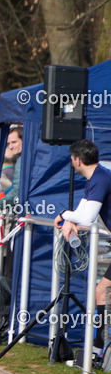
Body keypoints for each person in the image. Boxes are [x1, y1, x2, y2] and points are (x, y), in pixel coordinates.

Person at [56, 139, 111, 347]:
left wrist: (63, 215)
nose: (72, 163)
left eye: (72, 160)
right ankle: (100, 350)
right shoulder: (96, 177)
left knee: (102, 292)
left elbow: (86, 219)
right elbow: (81, 212)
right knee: (102, 292)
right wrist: (70, 218)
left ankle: (100, 350)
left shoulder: (100, 178)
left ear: (77, 160)